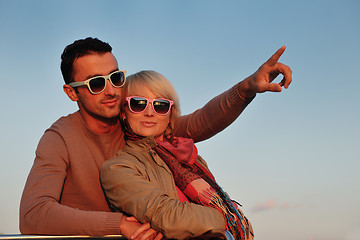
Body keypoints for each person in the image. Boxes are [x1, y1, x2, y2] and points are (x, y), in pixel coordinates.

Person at [19, 37, 292, 239]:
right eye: (96, 83)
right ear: (71, 92)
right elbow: (33, 214)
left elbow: (202, 120)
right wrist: (119, 224)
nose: (111, 90)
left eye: (115, 78)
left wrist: (247, 87)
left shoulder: (142, 127)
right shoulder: (60, 138)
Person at [100, 70, 254, 240]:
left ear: (170, 114)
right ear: (123, 112)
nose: (149, 113)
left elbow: (206, 118)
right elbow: (168, 216)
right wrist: (228, 217)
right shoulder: (118, 167)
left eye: (160, 105)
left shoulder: (191, 158)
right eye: (138, 104)